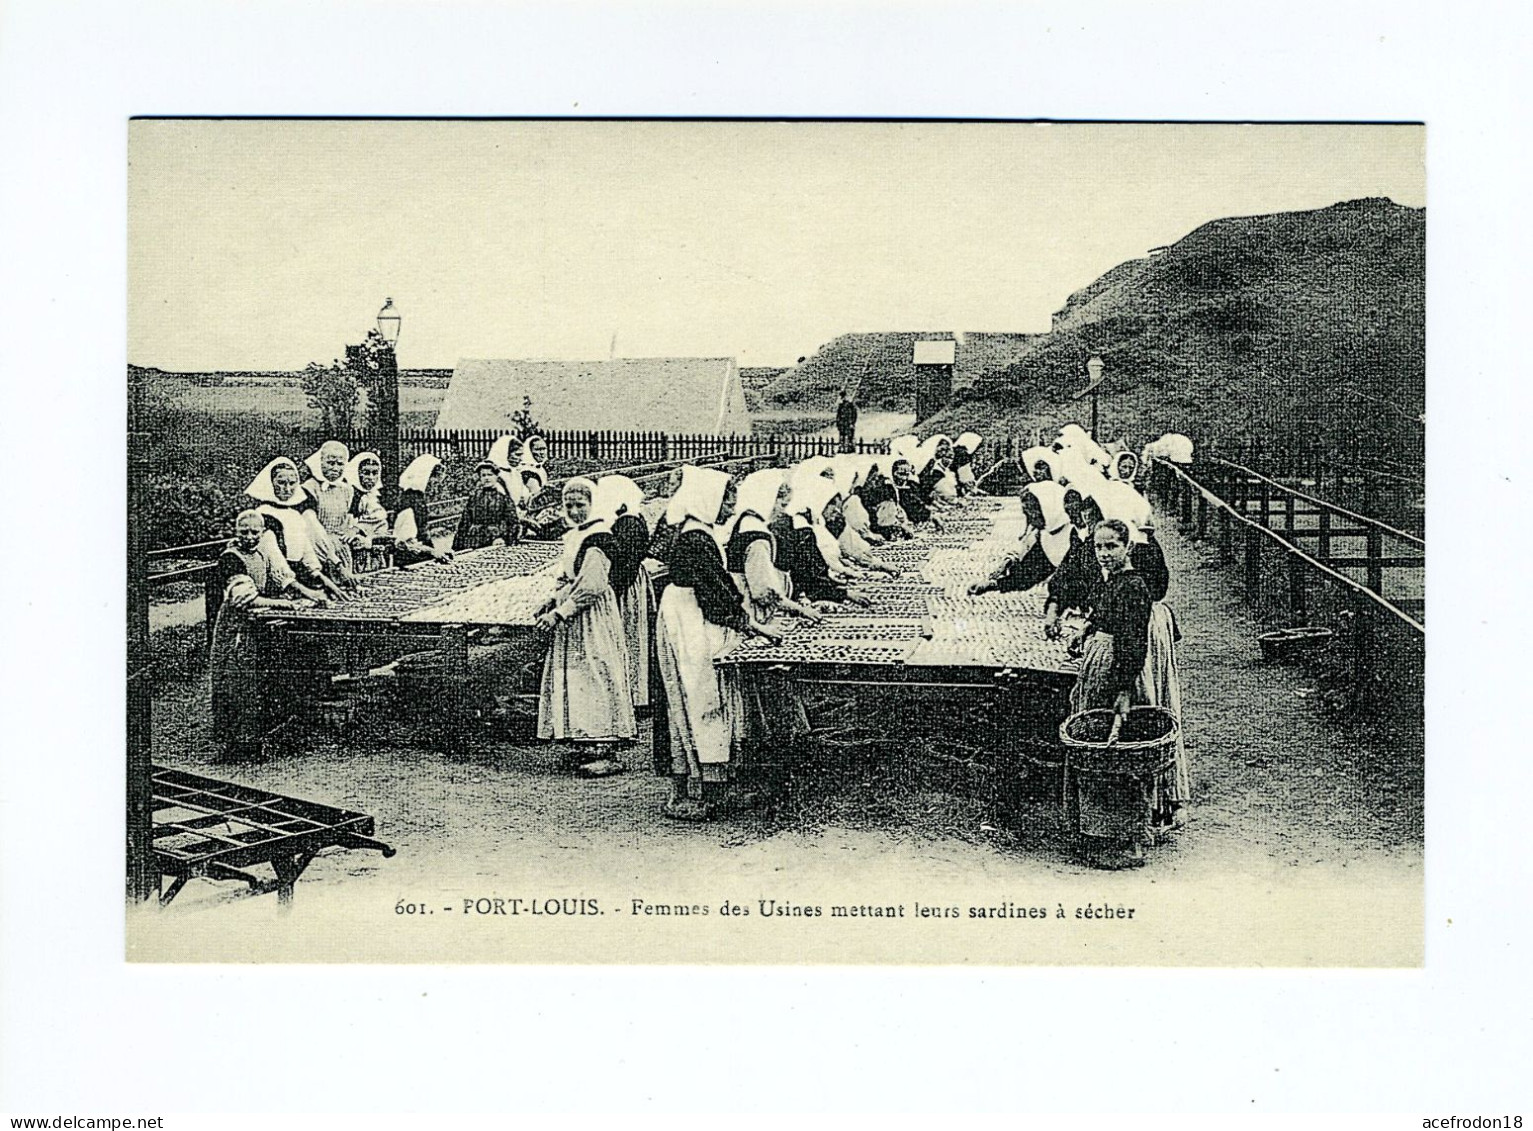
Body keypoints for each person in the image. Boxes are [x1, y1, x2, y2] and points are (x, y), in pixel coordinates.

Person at [654, 466, 781, 820]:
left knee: (704, 700)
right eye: (728, 498)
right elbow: (715, 595)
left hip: (691, 614)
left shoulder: (701, 533)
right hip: (689, 622)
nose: (732, 505)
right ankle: (692, 791)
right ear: (709, 498)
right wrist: (752, 626)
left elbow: (720, 586)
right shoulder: (696, 539)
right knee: (699, 697)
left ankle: (715, 785)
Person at [1065, 518, 1154, 866]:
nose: (1103, 554)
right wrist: (1085, 630)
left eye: (1111, 546)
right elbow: (1103, 614)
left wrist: (1123, 689)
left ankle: (1128, 843)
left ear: (1127, 547)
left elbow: (1133, 642)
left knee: (1114, 750)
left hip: (1115, 669)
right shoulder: (1112, 582)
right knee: (1097, 750)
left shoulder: (1133, 586)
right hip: (1099, 662)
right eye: (1099, 547)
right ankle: (1099, 835)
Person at [533, 477, 636, 775]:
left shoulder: (599, 538)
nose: (576, 511)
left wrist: (560, 612)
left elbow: (591, 585)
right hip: (573, 616)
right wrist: (552, 600)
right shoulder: (577, 535)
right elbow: (568, 576)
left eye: (581, 505)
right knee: (578, 676)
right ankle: (585, 740)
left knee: (596, 672)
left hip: (590, 617)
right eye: (570, 506)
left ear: (594, 505)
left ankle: (606, 746)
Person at [208, 511, 323, 758]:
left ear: (262, 533)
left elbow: (276, 578)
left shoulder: (261, 553)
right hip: (234, 626)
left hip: (254, 624)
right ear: (236, 532)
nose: (249, 537)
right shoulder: (231, 558)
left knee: (256, 680)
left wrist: (303, 594)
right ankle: (237, 743)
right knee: (237, 680)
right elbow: (243, 597)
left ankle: (256, 737)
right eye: (244, 532)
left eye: (254, 532)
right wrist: (285, 604)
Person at [244, 457, 347, 601]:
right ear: (270, 483)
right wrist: (309, 592)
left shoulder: (294, 514)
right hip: (277, 585)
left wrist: (327, 582)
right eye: (281, 483)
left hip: (299, 577)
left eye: (292, 483)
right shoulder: (263, 516)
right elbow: (275, 561)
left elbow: (307, 554)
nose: (287, 489)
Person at [593, 474, 654, 710]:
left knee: (628, 636)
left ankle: (632, 694)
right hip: (627, 581)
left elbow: (624, 562)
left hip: (626, 587)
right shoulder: (625, 520)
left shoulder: (628, 524)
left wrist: (612, 590)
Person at [968, 489, 1056, 596]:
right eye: (1027, 515)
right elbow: (1027, 575)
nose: (1031, 521)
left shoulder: (1069, 535)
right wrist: (992, 584)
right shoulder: (1043, 534)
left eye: (1034, 514)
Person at [1043, 491, 1104, 638]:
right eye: (1069, 513)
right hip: (1088, 615)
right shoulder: (1078, 539)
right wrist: (1053, 611)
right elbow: (1065, 573)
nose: (1073, 519)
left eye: (1075, 512)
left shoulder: (1103, 545)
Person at [393, 454, 453, 566]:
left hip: (419, 557)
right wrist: (433, 552)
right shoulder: (409, 503)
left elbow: (422, 535)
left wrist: (438, 551)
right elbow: (405, 542)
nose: (434, 487)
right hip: (409, 560)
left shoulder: (418, 500)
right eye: (433, 482)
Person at [455, 460, 521, 551]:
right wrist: (456, 547)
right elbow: (464, 523)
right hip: (473, 541)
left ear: (496, 476)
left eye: (490, 475)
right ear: (480, 478)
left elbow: (513, 524)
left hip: (495, 540)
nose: (487, 478)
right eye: (483, 475)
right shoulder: (473, 499)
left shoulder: (504, 500)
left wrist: (504, 538)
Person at [344, 451, 390, 543]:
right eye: (366, 473)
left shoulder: (372, 496)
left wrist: (357, 528)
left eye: (375, 473)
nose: (371, 477)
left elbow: (377, 518)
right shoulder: (347, 492)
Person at [835, 388, 858, 453]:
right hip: (842, 425)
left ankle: (850, 449)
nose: (842, 398)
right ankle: (841, 449)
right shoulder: (841, 406)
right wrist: (838, 423)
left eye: (843, 397)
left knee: (850, 437)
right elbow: (838, 416)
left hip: (848, 424)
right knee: (842, 437)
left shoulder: (850, 406)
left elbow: (854, 414)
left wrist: (852, 423)